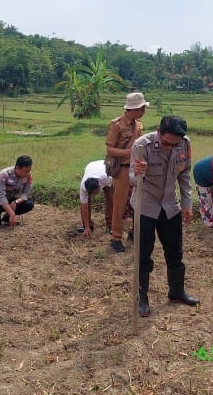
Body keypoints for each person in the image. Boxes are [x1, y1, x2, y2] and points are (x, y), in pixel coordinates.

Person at [131, 115, 199, 317]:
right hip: (145, 206)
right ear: (159, 132)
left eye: (174, 144)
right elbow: (132, 179)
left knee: (175, 251)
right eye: (166, 143)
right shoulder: (141, 146)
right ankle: (141, 298)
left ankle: (177, 291)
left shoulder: (185, 145)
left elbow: (184, 174)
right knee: (143, 253)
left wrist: (187, 204)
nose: (170, 148)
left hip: (170, 205)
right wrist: (138, 172)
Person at [105, 92, 148, 252]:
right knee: (120, 205)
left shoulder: (139, 125)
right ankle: (116, 237)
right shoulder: (116, 125)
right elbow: (110, 149)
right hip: (122, 170)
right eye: (141, 108)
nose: (143, 110)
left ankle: (134, 232)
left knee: (138, 202)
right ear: (133, 109)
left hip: (136, 169)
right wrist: (130, 152)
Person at [0, 155, 34, 228]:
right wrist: (12, 214)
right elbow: (1, 196)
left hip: (10, 199)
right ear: (17, 167)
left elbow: (26, 194)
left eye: (29, 171)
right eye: (25, 171)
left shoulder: (29, 176)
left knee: (29, 204)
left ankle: (7, 218)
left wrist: (16, 202)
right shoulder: (4, 174)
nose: (27, 174)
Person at [78, 160, 114, 236]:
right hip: (91, 166)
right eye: (90, 193)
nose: (93, 195)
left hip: (106, 167)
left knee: (111, 199)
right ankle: (88, 226)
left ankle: (110, 225)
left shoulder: (107, 178)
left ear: (99, 187)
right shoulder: (83, 186)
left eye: (94, 193)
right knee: (86, 201)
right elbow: (84, 207)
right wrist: (86, 227)